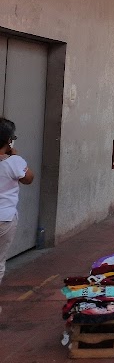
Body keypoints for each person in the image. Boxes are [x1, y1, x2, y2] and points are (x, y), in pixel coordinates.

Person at [0, 118, 35, 294]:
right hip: (4, 219)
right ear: (9, 140)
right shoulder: (14, 162)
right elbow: (28, 178)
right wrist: (15, 157)